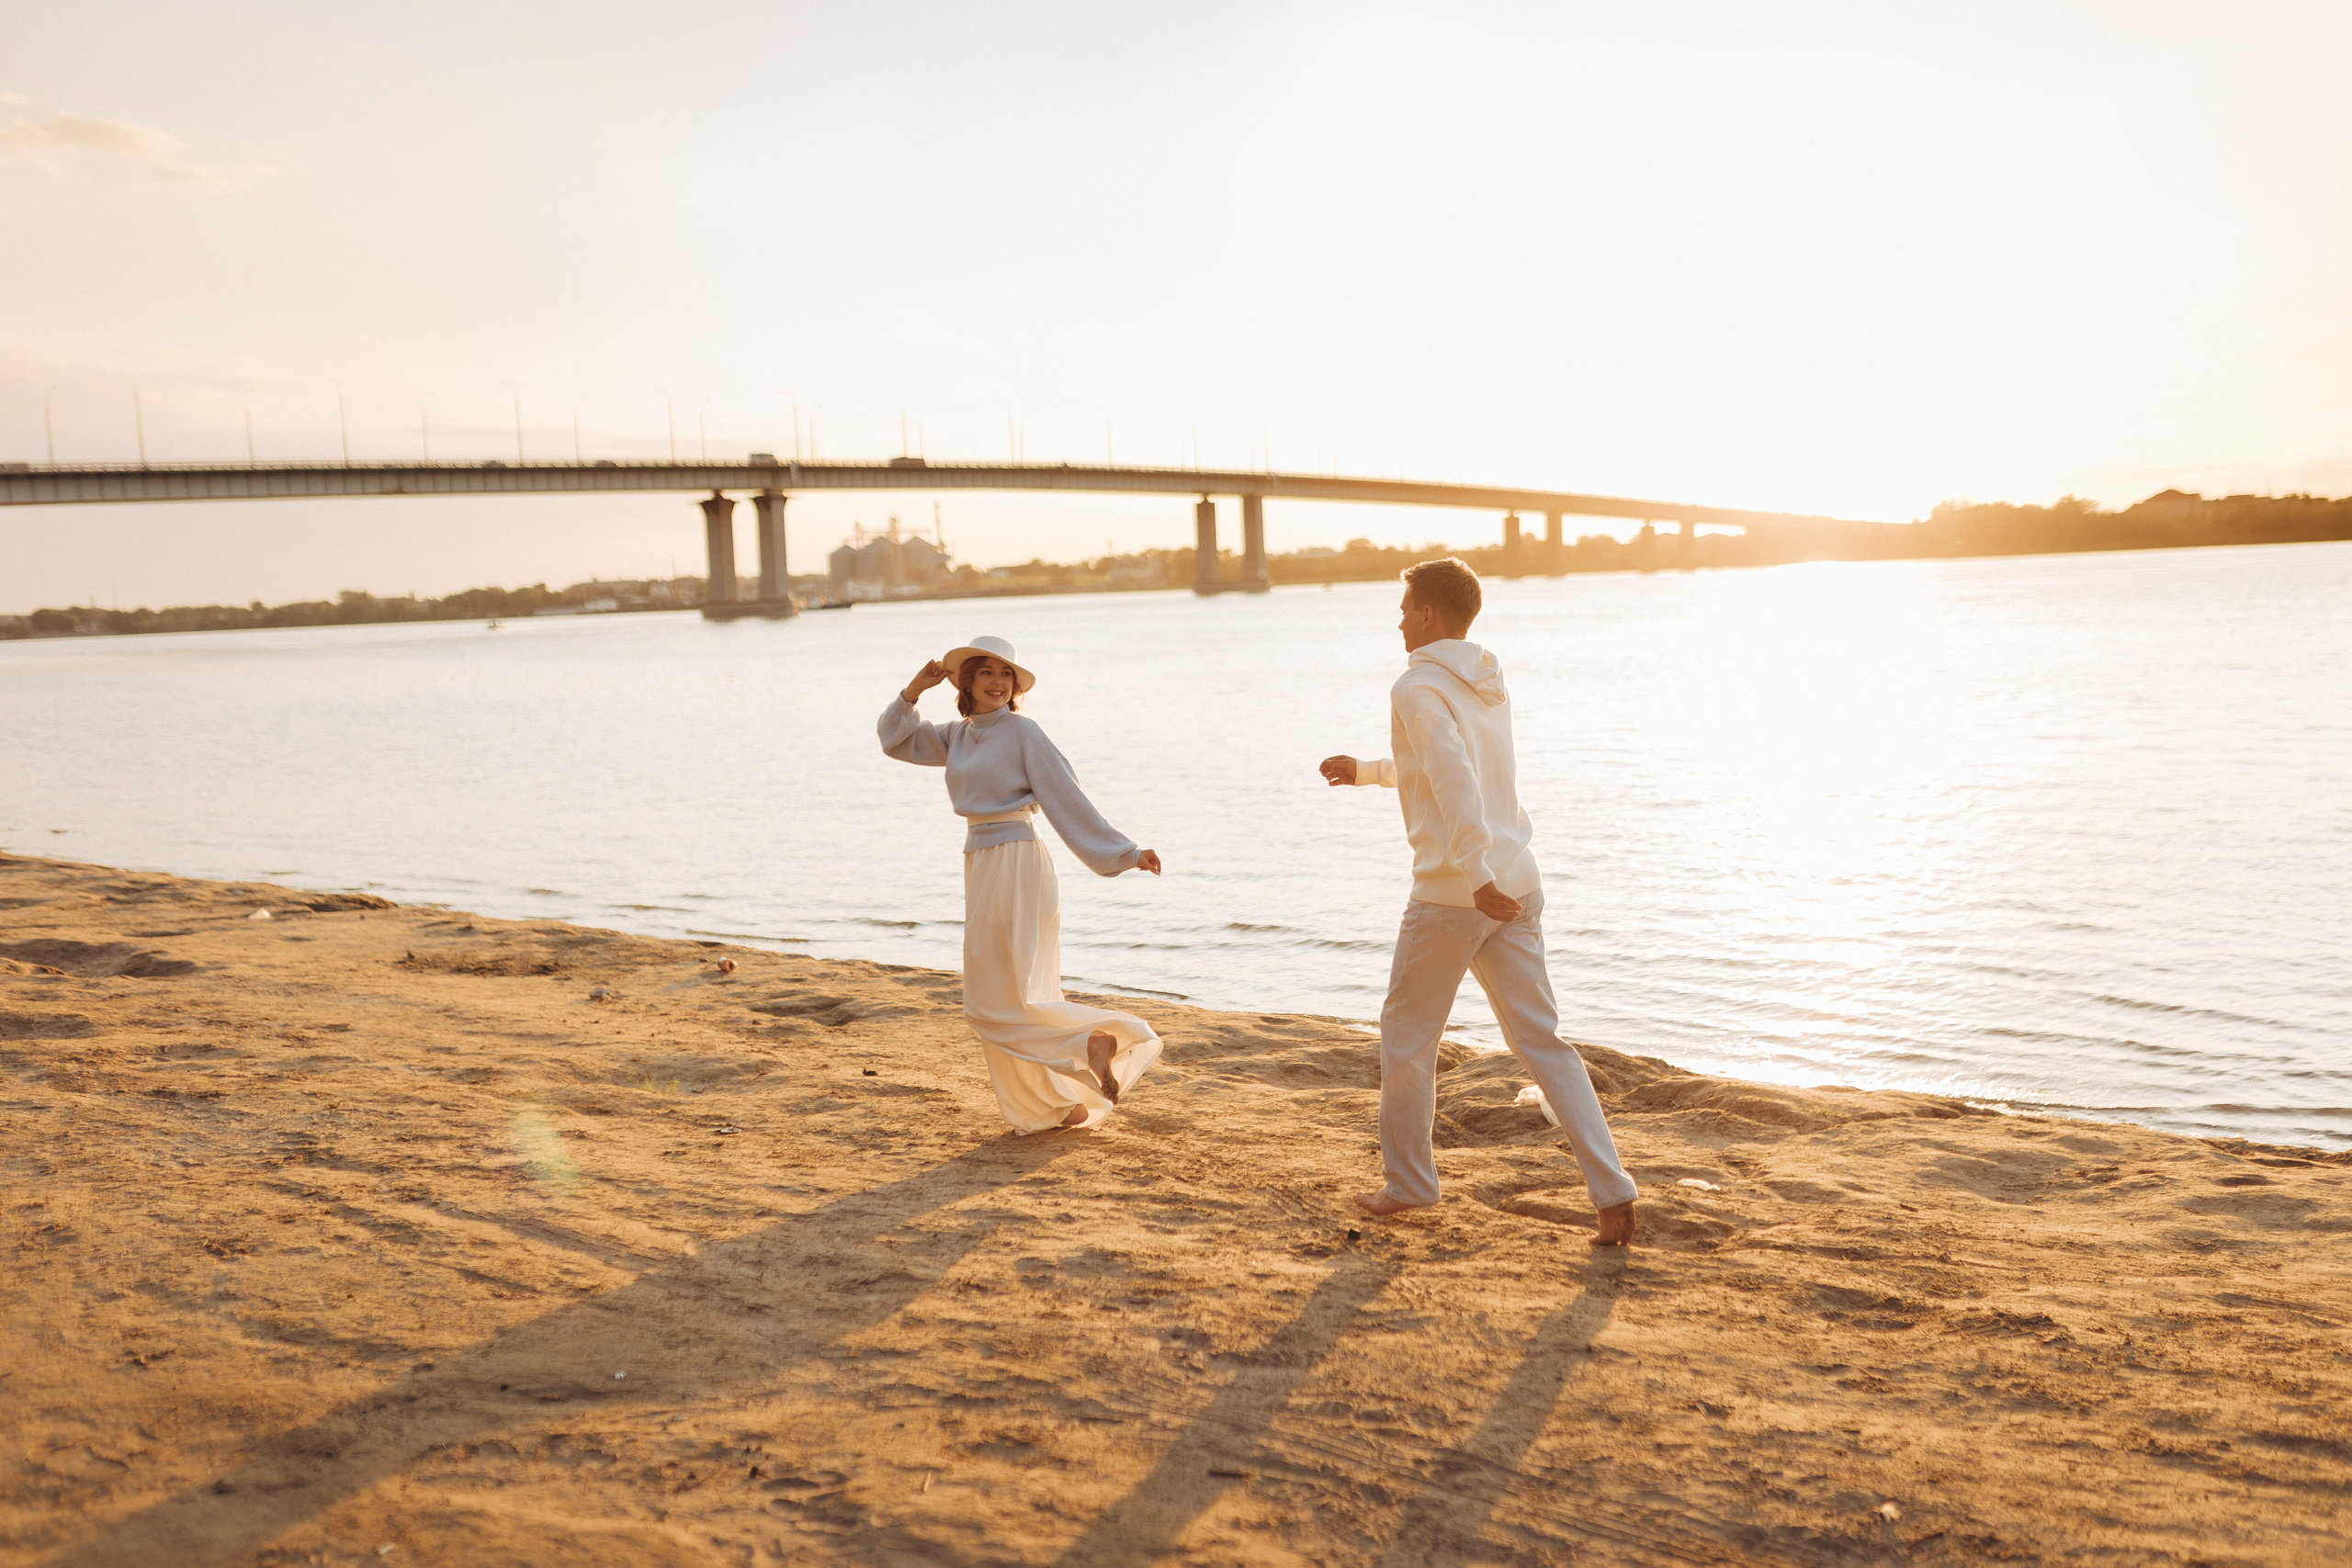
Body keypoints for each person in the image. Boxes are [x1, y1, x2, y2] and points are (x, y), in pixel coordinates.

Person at [1319, 558, 1639, 1245]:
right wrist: (1370, 772)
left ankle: (1409, 1184)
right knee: (1543, 1042)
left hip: (1458, 892)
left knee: (1406, 1040)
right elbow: (1447, 766)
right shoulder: (1487, 677)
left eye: (1406, 606)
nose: (1399, 618)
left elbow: (1453, 776)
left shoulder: (1415, 683)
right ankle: (1612, 1190)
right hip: (1518, 881)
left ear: (1429, 614)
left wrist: (1474, 872)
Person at [881, 635, 1166, 1133]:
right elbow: (895, 741)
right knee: (1012, 993)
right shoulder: (958, 735)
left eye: (1005, 674)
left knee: (992, 1002)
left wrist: (1124, 852)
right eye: (986, 672)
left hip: (1017, 859)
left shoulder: (1022, 731)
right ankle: (1060, 1105)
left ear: (1015, 685)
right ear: (965, 681)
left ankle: (1087, 1044)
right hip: (983, 859)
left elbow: (1064, 795)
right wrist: (912, 692)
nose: (997, 682)